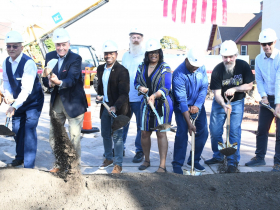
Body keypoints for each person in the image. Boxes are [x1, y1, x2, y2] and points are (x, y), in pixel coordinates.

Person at [205, 40, 254, 173]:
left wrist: (235, 88)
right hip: (220, 103)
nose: (228, 59)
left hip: (237, 102)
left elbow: (249, 85)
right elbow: (217, 94)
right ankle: (218, 156)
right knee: (215, 131)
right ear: (222, 57)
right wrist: (223, 104)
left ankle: (232, 162)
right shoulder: (217, 70)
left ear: (236, 55)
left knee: (234, 132)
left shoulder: (243, 66)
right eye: (225, 57)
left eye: (231, 56)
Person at [42, 28, 88, 173]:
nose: (61, 48)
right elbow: (45, 76)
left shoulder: (75, 59)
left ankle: (74, 168)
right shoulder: (49, 56)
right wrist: (48, 83)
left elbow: (72, 79)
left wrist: (58, 82)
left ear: (69, 44)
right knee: (54, 135)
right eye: (58, 45)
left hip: (73, 103)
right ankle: (59, 163)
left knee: (74, 138)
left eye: (64, 44)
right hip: (57, 103)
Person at [2, 31, 44, 168]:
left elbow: (26, 89)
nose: (11, 49)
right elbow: (7, 81)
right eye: (9, 46)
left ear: (21, 47)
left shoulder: (28, 63)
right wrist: (7, 94)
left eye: (15, 46)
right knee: (16, 129)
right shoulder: (6, 62)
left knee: (29, 129)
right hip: (17, 102)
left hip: (33, 102)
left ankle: (29, 164)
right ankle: (20, 157)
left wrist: (14, 106)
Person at [134, 38, 173, 173]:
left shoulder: (165, 67)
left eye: (156, 52)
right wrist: (140, 88)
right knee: (144, 133)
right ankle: (146, 160)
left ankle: (162, 165)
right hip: (145, 104)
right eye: (151, 52)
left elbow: (166, 87)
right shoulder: (141, 66)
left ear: (159, 52)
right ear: (147, 54)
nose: (153, 55)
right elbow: (136, 83)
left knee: (161, 133)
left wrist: (155, 95)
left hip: (161, 105)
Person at [245, 28, 280, 172]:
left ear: (275, 42)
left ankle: (278, 163)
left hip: (279, 97)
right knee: (262, 129)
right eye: (263, 44)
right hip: (268, 98)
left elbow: (279, 81)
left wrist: (278, 104)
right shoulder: (259, 59)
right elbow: (259, 79)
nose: (266, 46)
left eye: (269, 43)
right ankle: (260, 157)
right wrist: (264, 96)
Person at [172, 48, 209, 174]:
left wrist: (198, 105)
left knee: (203, 132)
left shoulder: (201, 67)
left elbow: (204, 88)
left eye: (197, 66)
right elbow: (182, 101)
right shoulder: (178, 74)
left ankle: (194, 159)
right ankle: (177, 163)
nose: (195, 68)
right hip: (182, 108)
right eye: (193, 65)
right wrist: (189, 124)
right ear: (187, 60)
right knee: (182, 132)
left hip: (198, 106)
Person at [96, 40, 130, 174]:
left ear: (116, 54)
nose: (108, 56)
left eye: (111, 53)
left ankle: (118, 164)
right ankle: (108, 158)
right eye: (106, 53)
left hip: (118, 109)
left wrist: (115, 106)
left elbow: (124, 93)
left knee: (117, 137)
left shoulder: (122, 71)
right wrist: (99, 96)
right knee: (105, 134)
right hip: (105, 107)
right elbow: (99, 87)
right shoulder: (100, 69)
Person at [122, 27, 145, 163]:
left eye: (138, 38)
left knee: (140, 126)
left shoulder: (146, 55)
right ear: (130, 39)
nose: (135, 40)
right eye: (133, 37)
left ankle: (139, 151)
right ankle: (120, 147)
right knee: (123, 123)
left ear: (142, 39)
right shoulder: (125, 55)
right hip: (125, 97)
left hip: (140, 98)